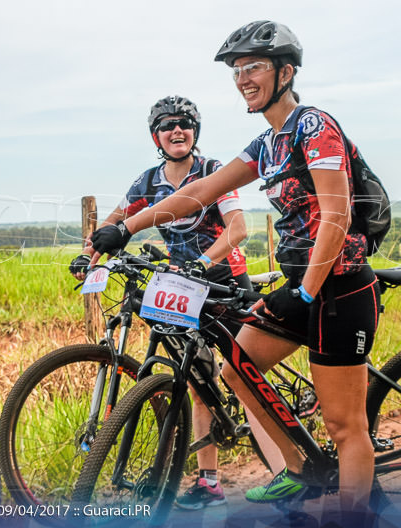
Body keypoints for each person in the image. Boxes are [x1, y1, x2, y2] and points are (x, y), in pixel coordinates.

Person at [89, 21, 382, 523]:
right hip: (301, 289)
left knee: (344, 425)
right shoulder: (266, 143)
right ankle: (296, 467)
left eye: (255, 68)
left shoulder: (314, 127)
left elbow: (337, 215)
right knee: (236, 370)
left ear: (286, 72)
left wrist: (308, 292)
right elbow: (198, 194)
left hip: (338, 289)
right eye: (237, 70)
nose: (244, 78)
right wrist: (126, 228)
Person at [71, 95, 283, 510]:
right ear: (157, 136)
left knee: (245, 375)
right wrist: (88, 254)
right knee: (198, 380)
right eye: (168, 125)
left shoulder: (212, 171)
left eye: (185, 123)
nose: (177, 130)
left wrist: (204, 263)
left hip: (223, 281)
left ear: (195, 131)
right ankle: (209, 481)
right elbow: (114, 223)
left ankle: (285, 471)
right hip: (182, 288)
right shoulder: (148, 183)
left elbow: (237, 229)